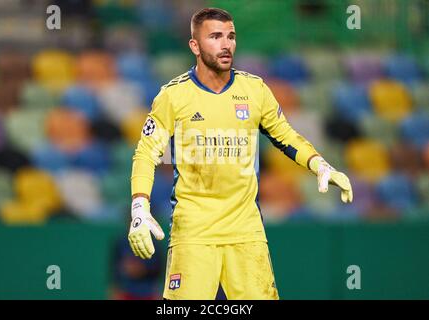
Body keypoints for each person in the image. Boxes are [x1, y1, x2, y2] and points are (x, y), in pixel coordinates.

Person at [128, 7, 353, 300]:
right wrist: (139, 208)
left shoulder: (254, 90)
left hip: (247, 232)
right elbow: (146, 153)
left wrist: (319, 165)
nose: (226, 44)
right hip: (194, 233)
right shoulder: (174, 96)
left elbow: (285, 135)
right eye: (215, 36)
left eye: (231, 36)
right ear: (194, 46)